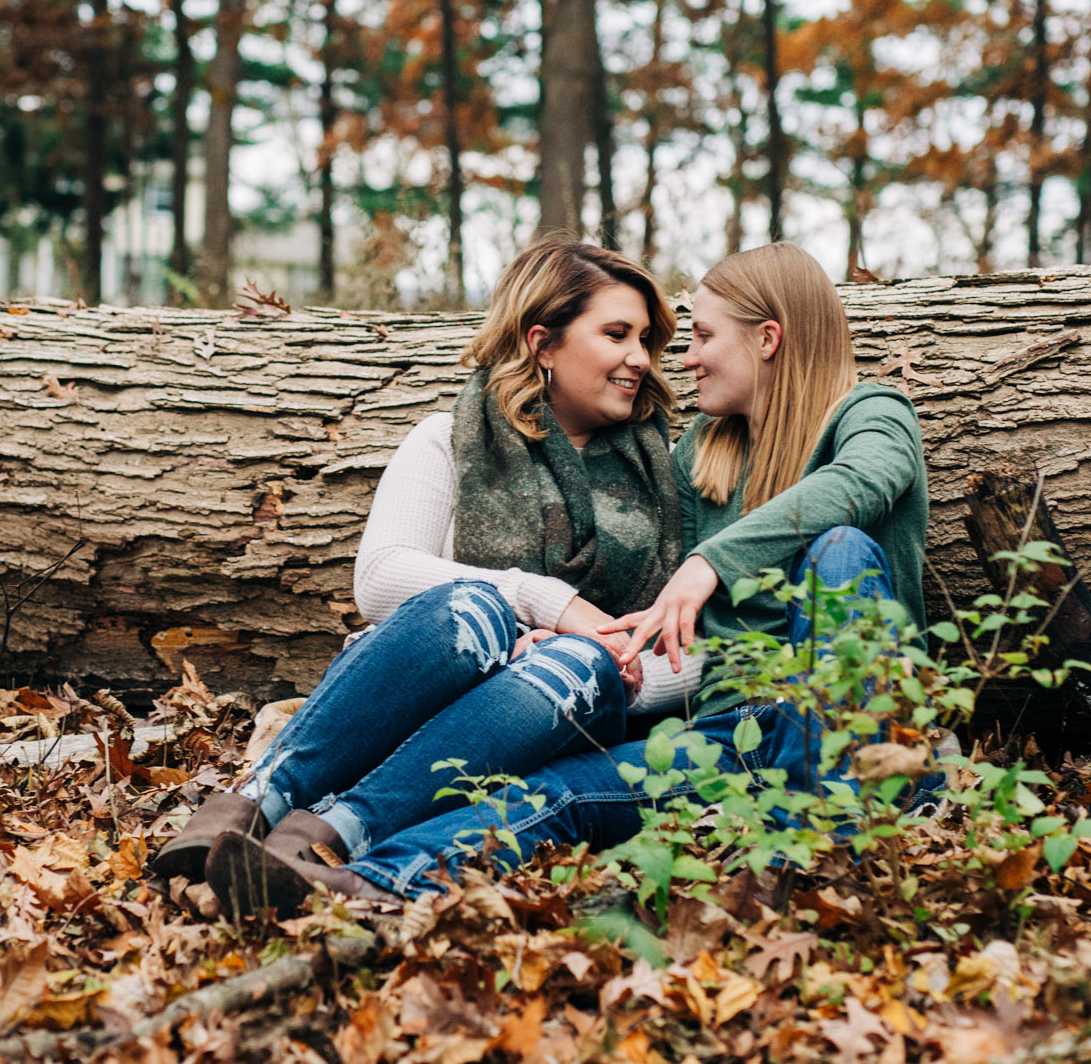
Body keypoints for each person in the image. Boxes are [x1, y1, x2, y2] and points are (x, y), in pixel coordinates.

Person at [207, 242, 930, 910]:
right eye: (629, 336)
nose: (674, 358)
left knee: (839, 548)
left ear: (767, 338)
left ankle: (825, 838)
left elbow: (865, 479)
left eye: (698, 336)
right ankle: (353, 882)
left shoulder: (871, 412)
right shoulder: (704, 455)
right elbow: (665, 629)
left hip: (832, 717)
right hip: (724, 726)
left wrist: (707, 565)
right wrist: (554, 634)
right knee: (548, 795)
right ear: (541, 343)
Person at [150, 239, 699, 897]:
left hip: (557, 722)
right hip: (411, 698)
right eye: (616, 334)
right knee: (476, 607)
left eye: (646, 338)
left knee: (579, 663)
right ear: (541, 342)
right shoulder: (449, 440)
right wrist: (540, 604)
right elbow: (380, 578)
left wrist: (605, 651)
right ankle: (252, 806)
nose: (639, 358)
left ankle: (335, 832)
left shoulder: (665, 472)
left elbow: (692, 644)